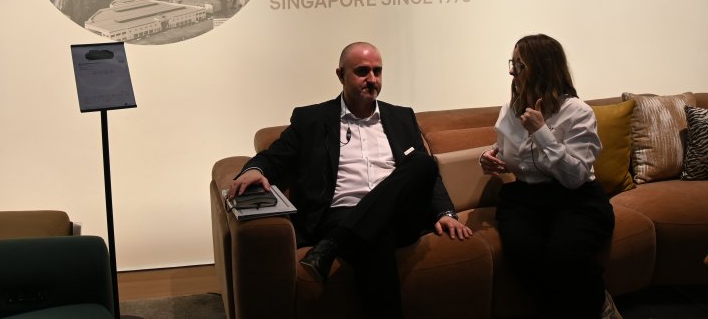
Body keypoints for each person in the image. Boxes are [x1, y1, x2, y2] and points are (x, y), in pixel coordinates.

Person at [229, 42, 471, 319]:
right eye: (362, 71)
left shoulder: (401, 116)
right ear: (340, 74)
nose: (372, 79)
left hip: (399, 213)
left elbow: (427, 176)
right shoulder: (312, 119)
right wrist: (254, 169)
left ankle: (333, 243)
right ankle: (344, 238)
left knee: (422, 163)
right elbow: (275, 156)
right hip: (340, 212)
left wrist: (445, 212)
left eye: (377, 71)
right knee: (376, 241)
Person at [479, 34, 617, 319]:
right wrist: (491, 157)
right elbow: (507, 150)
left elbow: (575, 177)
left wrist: (542, 132)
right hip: (524, 199)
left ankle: (599, 306)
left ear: (542, 68)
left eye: (519, 65)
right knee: (523, 253)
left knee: (564, 255)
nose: (511, 72)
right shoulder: (509, 110)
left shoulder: (577, 112)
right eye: (512, 63)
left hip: (575, 199)